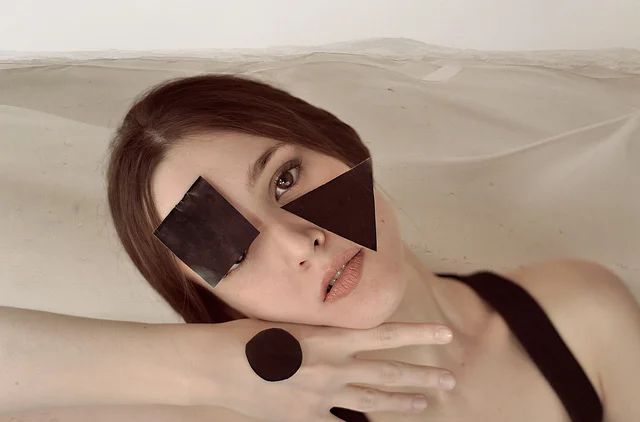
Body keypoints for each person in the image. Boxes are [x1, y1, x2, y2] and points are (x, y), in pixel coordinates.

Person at [2, 75, 639, 422]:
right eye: (227, 248)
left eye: (285, 178)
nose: (296, 242)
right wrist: (208, 366)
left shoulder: (579, 312)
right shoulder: (222, 411)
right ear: (217, 304)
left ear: (344, 146)